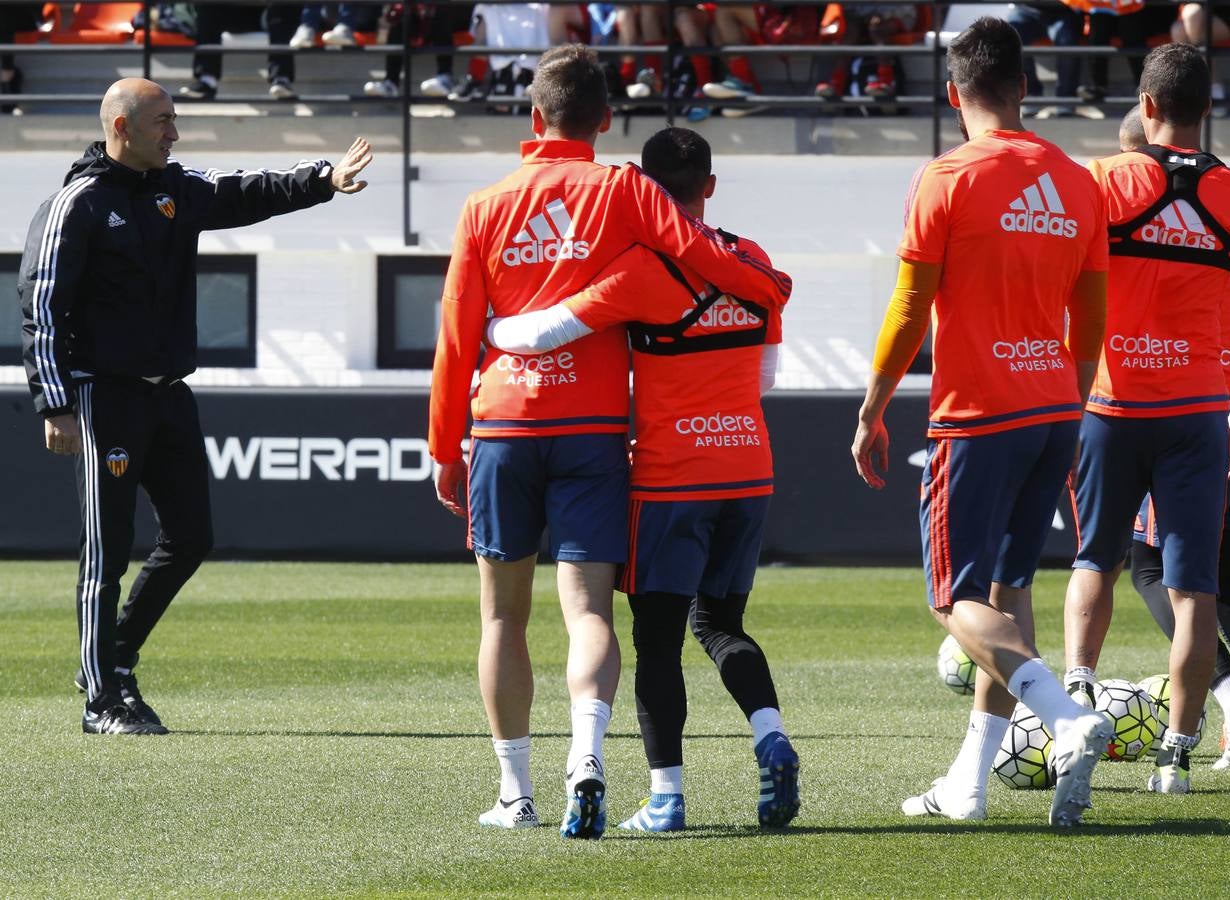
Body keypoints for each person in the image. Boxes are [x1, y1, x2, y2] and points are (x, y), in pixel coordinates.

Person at [427, 44, 791, 839]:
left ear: (533, 115)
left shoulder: (485, 205)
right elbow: (696, 251)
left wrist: (442, 443)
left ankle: (515, 793)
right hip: (593, 429)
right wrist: (765, 289)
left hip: (502, 425)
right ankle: (585, 761)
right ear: (605, 119)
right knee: (589, 611)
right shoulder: (624, 188)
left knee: (501, 620)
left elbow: (456, 335)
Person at [17, 78, 372, 736]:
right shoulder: (76, 205)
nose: (174, 134)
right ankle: (101, 702)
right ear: (122, 128)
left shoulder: (176, 189)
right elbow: (41, 310)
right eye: (162, 122)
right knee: (106, 551)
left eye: (174, 120)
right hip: (103, 397)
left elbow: (249, 191)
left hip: (168, 395)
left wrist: (325, 178)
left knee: (191, 537)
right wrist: (55, 404)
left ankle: (113, 659)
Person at [850, 17, 1112, 827]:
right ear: (1025, 87)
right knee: (1009, 588)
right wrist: (1065, 394)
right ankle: (968, 783)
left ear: (955, 93)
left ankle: (1065, 718)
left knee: (953, 599)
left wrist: (873, 406)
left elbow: (908, 305)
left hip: (978, 415)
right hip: (1052, 409)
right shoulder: (1077, 181)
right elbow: (1092, 314)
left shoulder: (947, 176)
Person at [1063, 43, 1230, 794]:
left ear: (1146, 106)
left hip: (1107, 405)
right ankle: (1177, 758)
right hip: (1197, 415)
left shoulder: (1100, 179)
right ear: (1206, 107)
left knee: (1097, 561)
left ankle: (1074, 708)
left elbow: (1063, 284)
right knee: (1195, 590)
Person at [182, 3, 302, 100]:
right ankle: (207, 80)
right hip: (238, 11)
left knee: (284, 6)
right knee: (209, 6)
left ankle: (281, 79)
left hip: (271, 12)